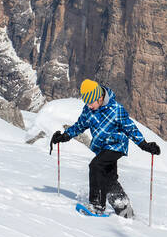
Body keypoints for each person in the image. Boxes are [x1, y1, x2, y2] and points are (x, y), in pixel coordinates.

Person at [49, 79, 160, 217]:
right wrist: (65, 136)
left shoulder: (116, 110)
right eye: (86, 103)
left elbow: (130, 128)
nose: (89, 106)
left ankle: (97, 205)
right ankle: (124, 209)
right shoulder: (89, 110)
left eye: (91, 103)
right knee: (108, 179)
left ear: (100, 98)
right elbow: (80, 125)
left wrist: (144, 145)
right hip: (101, 148)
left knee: (96, 166)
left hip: (116, 146)